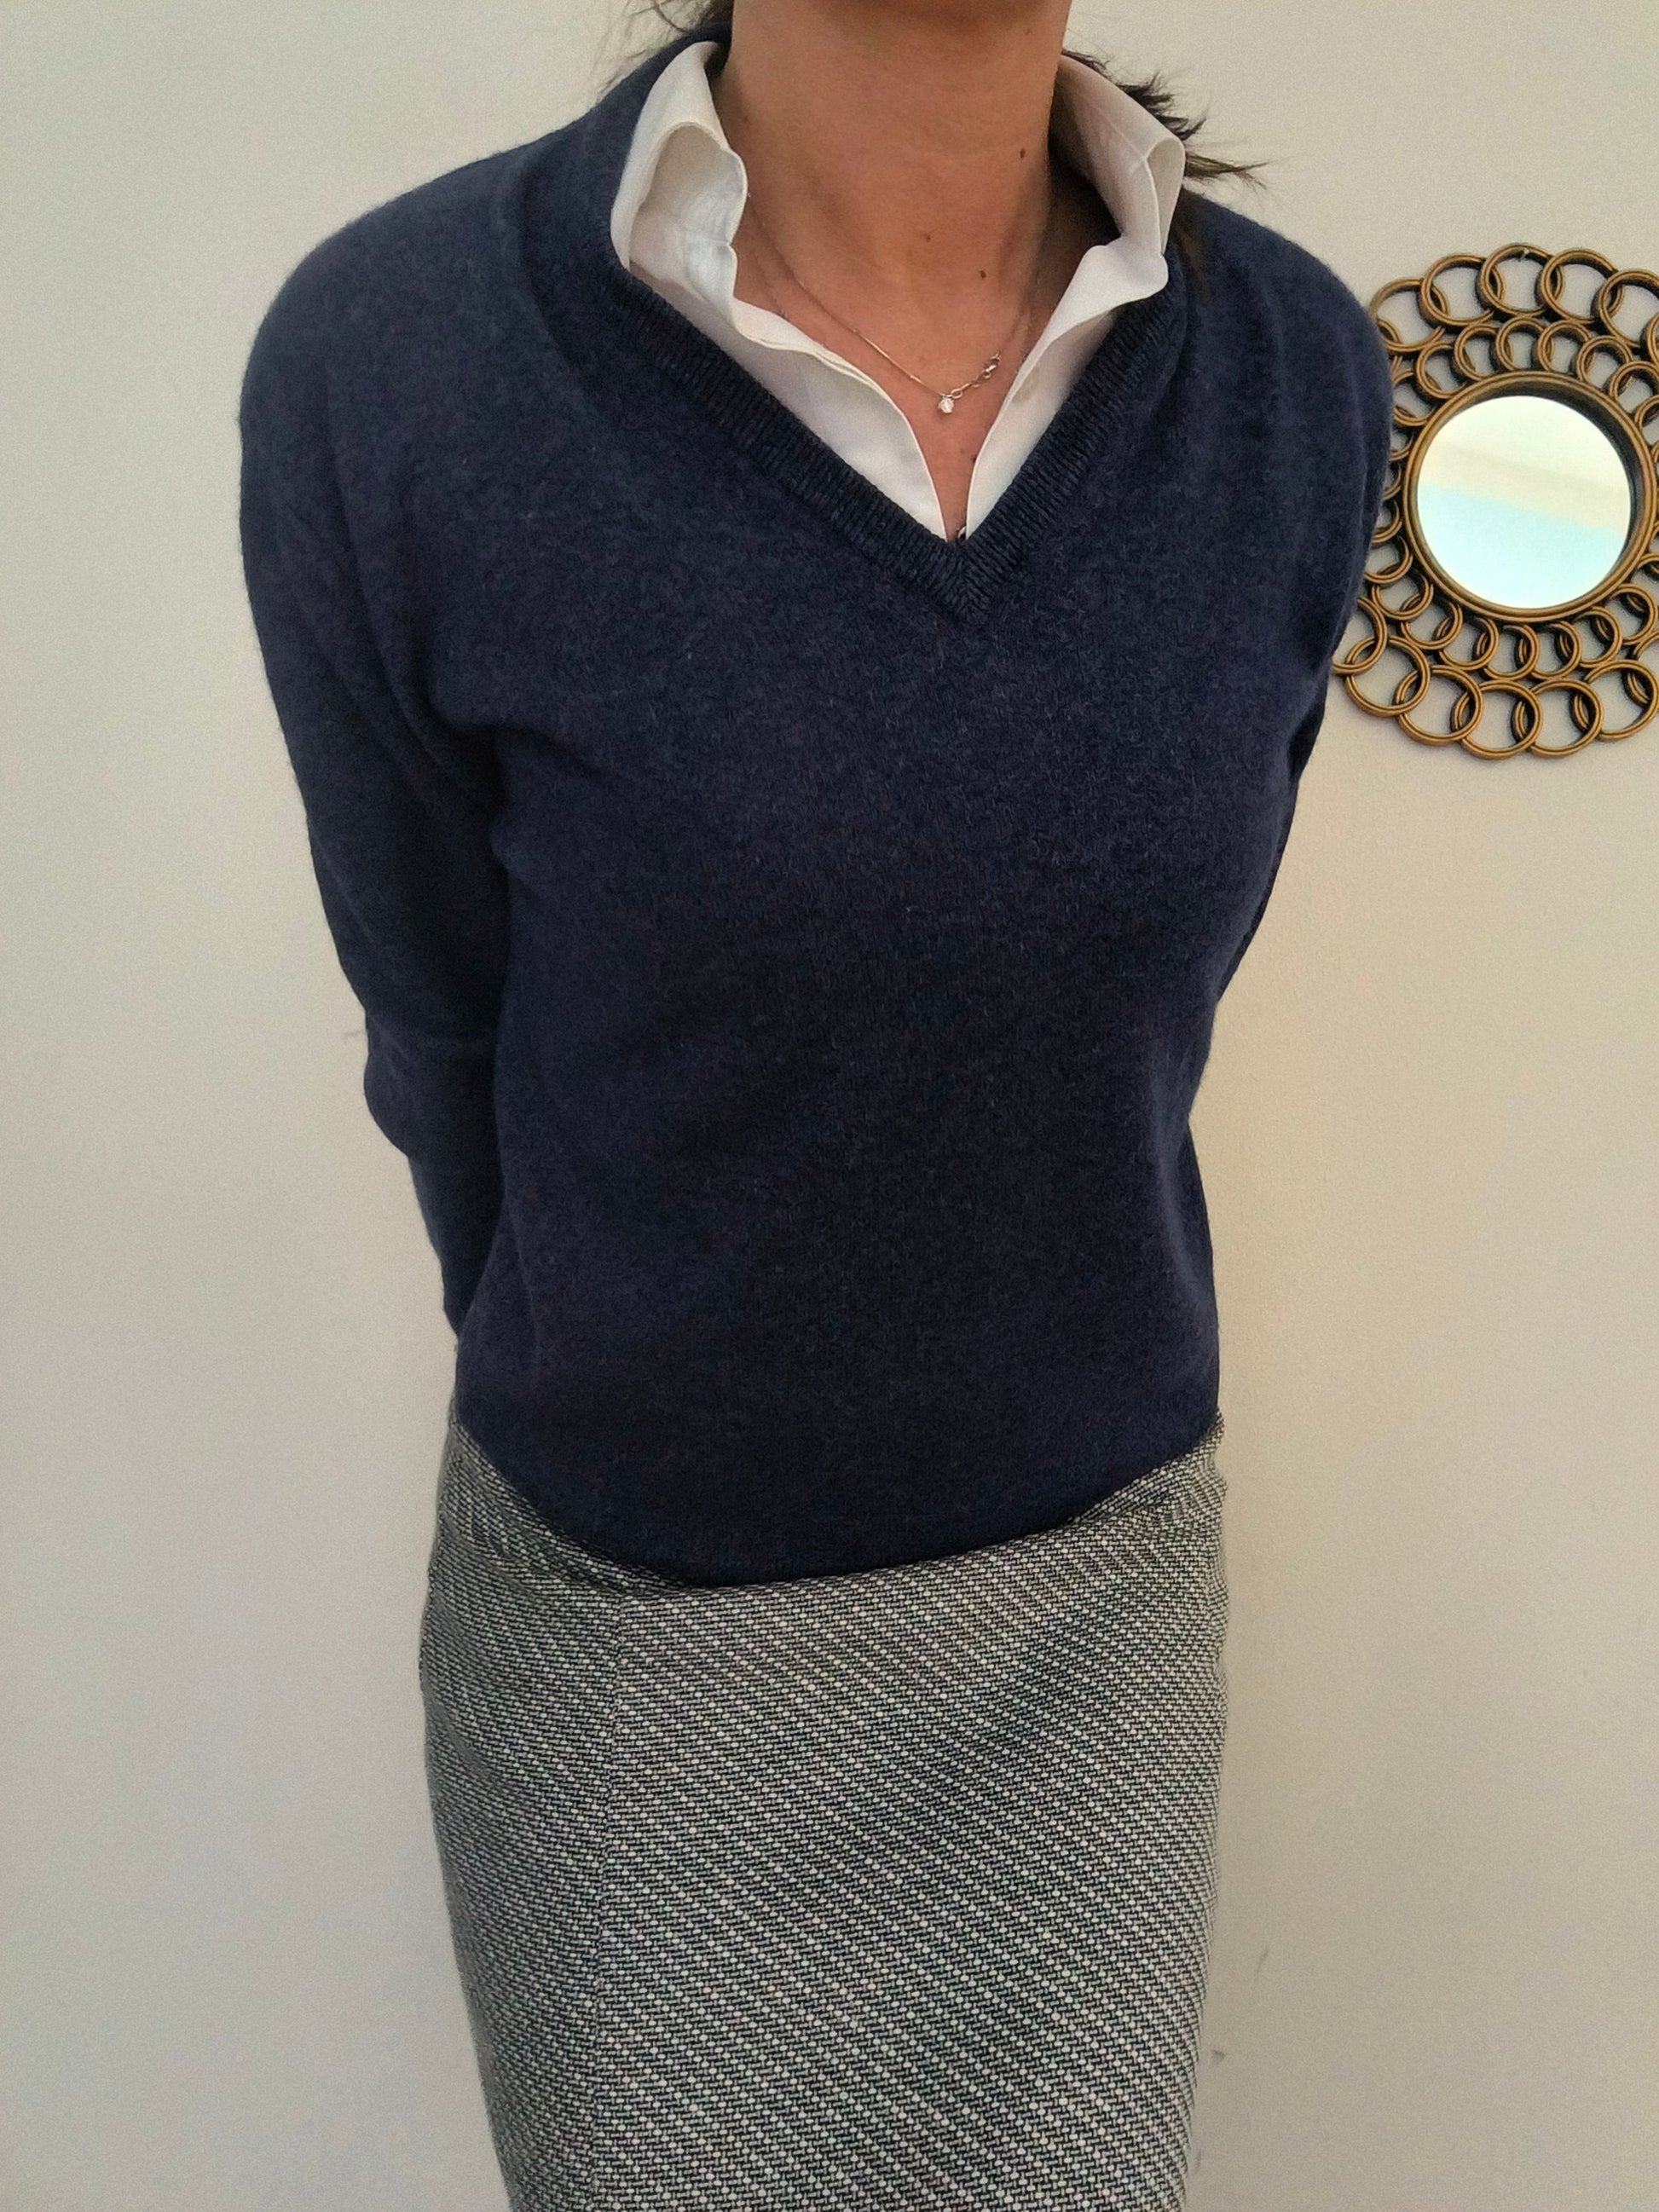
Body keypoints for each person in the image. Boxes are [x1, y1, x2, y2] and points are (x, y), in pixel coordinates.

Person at [237, 2, 1394, 2204]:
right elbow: (440, 1024)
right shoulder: (396, 361)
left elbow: (1117, 995)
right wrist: (648, 1377)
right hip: (622, 1628)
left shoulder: (1292, 380)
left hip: (1088, 1616)